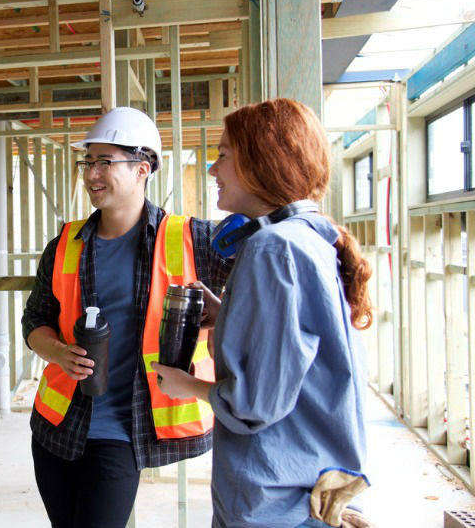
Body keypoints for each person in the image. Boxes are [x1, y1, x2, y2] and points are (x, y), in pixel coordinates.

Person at [152, 98, 373, 528]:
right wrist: (230, 314)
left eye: (223, 155)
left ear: (262, 161)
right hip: (310, 482)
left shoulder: (272, 248)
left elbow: (255, 403)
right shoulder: (307, 237)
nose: (213, 170)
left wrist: (188, 385)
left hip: (276, 498)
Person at [22, 106, 234, 528]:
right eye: (88, 162)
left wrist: (224, 315)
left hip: (123, 430)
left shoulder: (196, 239)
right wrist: (59, 352)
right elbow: (35, 321)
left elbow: (266, 284)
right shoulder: (66, 242)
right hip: (57, 426)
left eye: (104, 162)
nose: (91, 174)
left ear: (143, 168)